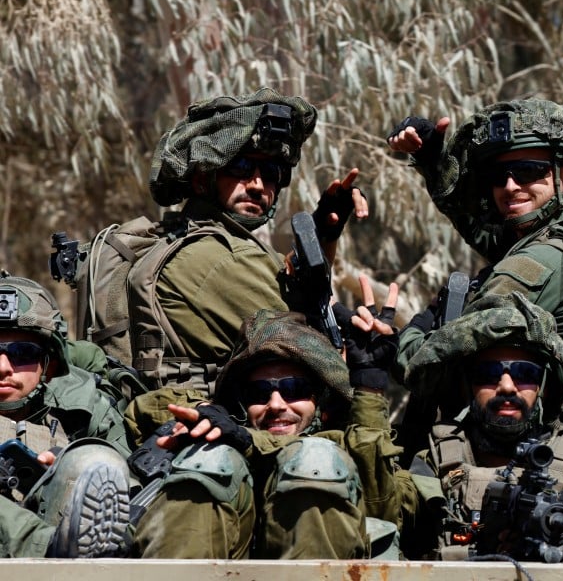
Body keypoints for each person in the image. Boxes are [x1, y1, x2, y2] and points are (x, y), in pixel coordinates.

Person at [389, 97, 563, 444]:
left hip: (526, 453)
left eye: (528, 172)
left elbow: (428, 365)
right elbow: (486, 230)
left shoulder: (537, 263)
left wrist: (403, 337)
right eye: (497, 176)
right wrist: (434, 163)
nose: (509, 186)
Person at [90, 87, 367, 391]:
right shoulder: (217, 258)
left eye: (272, 171)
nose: (258, 184)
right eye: (241, 167)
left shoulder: (201, 241)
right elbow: (319, 358)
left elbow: (301, 297)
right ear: (201, 178)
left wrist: (323, 236)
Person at [127, 288, 407, 560]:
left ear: (319, 401)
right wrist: (203, 409)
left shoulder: (342, 449)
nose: (275, 404)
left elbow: (381, 513)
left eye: (294, 388)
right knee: (209, 459)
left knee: (316, 459)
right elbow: (140, 409)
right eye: (258, 393)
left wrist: (369, 389)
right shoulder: (222, 432)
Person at [398, 292, 563, 563]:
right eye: (488, 374)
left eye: (525, 374)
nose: (507, 386)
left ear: (543, 388)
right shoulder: (433, 461)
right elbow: (383, 513)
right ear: (467, 385)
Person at [0, 271, 131, 558]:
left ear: (48, 365)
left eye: (22, 353)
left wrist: (68, 465)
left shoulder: (86, 409)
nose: (3, 368)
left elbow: (127, 500)